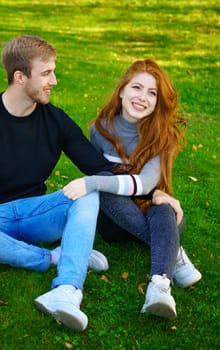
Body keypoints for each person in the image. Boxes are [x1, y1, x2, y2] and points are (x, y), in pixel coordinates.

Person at [0, 35, 116, 332]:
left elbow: (99, 170)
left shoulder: (56, 121)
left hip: (38, 214)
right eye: (46, 73)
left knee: (89, 191)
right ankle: (54, 256)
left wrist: (149, 185)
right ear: (19, 77)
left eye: (53, 71)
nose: (54, 81)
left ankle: (67, 290)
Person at [63, 59, 202, 319]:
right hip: (114, 223)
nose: (142, 97)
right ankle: (174, 251)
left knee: (162, 205)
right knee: (105, 181)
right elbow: (99, 173)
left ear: (158, 101)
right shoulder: (100, 129)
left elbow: (146, 184)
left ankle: (160, 288)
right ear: (122, 90)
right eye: (137, 88)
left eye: (152, 93)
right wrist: (97, 181)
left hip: (156, 213)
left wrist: (91, 183)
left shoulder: (163, 135)